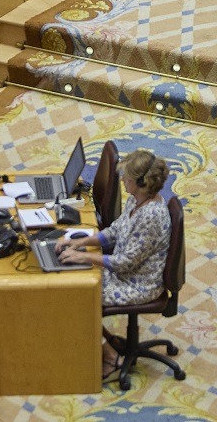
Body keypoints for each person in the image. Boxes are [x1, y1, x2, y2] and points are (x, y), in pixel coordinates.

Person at [56, 149, 170, 379]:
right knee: (73, 278)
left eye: (126, 177)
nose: (122, 179)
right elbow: (115, 231)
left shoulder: (151, 215)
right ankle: (107, 338)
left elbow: (124, 263)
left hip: (138, 284)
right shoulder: (138, 199)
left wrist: (85, 257)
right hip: (126, 273)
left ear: (140, 182)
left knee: (77, 294)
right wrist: (81, 243)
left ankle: (111, 357)